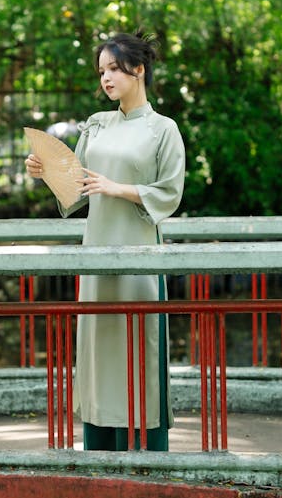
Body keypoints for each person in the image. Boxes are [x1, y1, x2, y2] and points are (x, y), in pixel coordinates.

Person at [25, 31, 186, 451]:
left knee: (140, 348)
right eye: (102, 71)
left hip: (139, 261)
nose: (107, 78)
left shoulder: (163, 130)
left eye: (114, 68)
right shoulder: (96, 125)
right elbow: (77, 190)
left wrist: (119, 188)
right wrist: (46, 172)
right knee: (98, 353)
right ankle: (99, 451)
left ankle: (150, 457)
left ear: (139, 69)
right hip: (95, 256)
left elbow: (170, 192)